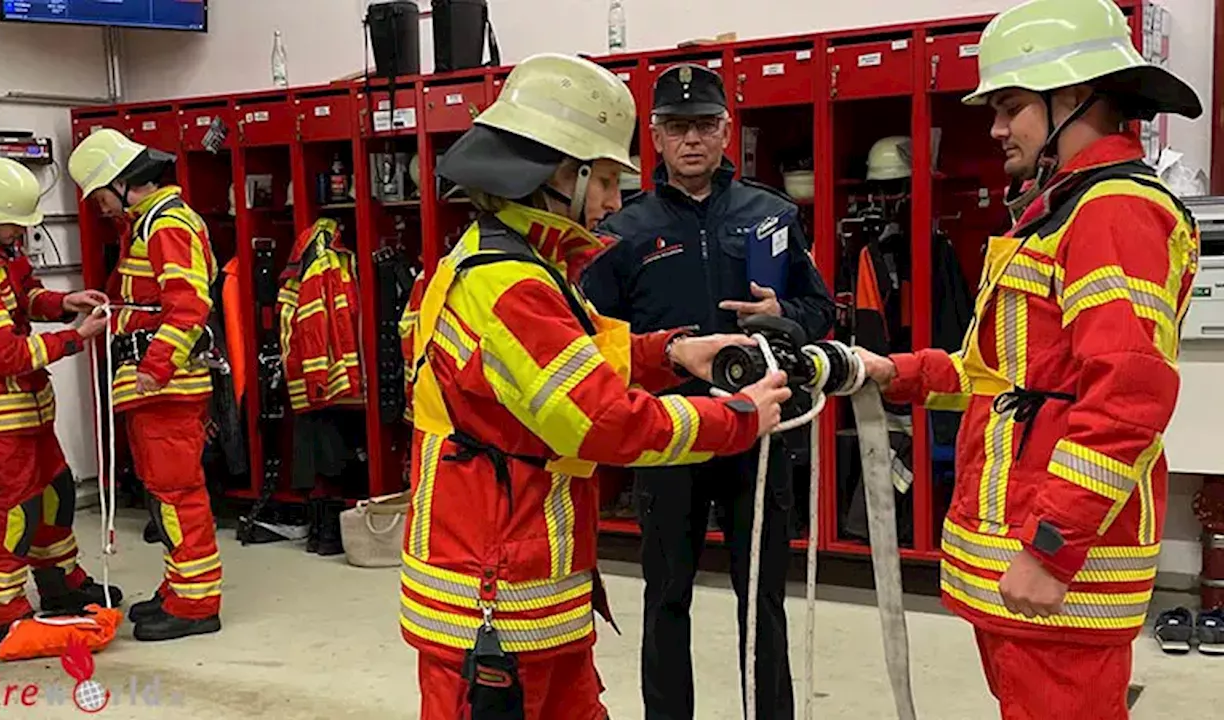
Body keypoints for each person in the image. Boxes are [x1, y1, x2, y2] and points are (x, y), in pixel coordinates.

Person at [399, 52, 794, 720]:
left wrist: (673, 351)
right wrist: (737, 418)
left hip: (519, 587)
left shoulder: (511, 260)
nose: (615, 201)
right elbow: (603, 421)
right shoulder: (509, 284)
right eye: (608, 179)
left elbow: (583, 355)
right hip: (495, 602)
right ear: (561, 172)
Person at [853, 1, 1203, 717]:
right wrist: (898, 373)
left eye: (1010, 106)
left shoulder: (1111, 212)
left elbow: (1127, 400)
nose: (995, 128)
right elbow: (997, 375)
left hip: (1061, 568)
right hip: (1021, 552)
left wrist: (1051, 547)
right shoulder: (1060, 211)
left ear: (1075, 97)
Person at [583, 63, 834, 720]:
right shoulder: (621, 233)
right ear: (657, 140)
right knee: (666, 596)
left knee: (763, 600)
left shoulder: (770, 213)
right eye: (675, 128)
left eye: (703, 126)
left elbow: (820, 308)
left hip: (761, 430)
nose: (690, 140)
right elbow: (594, 338)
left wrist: (786, 313)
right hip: (672, 434)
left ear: (726, 130)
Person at [0, 157, 122, 642]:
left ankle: (60, 582)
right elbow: (4, 354)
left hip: (27, 402)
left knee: (55, 490)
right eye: (14, 222)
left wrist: (65, 303)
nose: (20, 231)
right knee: (17, 505)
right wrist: (76, 336)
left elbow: (25, 296)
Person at [68, 129, 224, 642]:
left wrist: (154, 368)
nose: (98, 207)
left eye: (99, 196)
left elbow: (187, 308)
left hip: (165, 386)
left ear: (120, 182)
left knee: (178, 495)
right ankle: (180, 587)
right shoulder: (149, 224)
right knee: (165, 493)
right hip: (153, 386)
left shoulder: (166, 225)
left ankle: (196, 604)